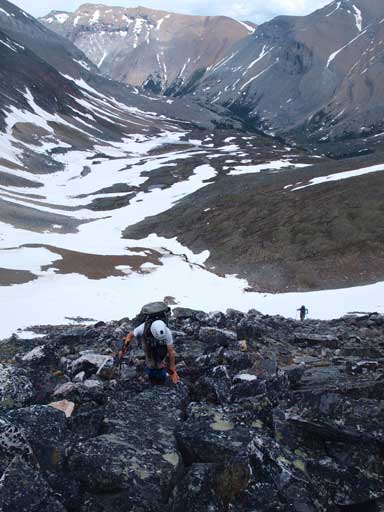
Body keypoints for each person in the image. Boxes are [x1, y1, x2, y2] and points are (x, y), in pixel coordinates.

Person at [120, 302, 179, 385]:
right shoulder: (143, 327)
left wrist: (173, 371)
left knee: (160, 361)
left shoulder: (167, 332)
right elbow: (130, 335)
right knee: (150, 360)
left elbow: (170, 351)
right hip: (146, 341)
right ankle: (152, 374)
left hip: (160, 346)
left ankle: (160, 373)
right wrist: (123, 349)